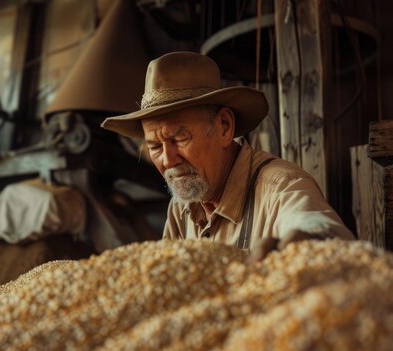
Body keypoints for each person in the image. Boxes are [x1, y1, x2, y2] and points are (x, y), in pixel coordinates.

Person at [101, 52, 353, 260]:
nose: (167, 160)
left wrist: (313, 241)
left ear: (223, 127)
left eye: (179, 139)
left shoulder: (282, 187)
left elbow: (319, 227)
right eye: (155, 146)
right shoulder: (181, 208)